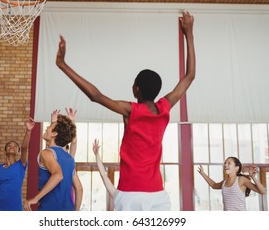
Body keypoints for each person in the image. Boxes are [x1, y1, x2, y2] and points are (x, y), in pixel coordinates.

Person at [56, 11, 195, 210]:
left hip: (130, 193)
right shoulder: (165, 106)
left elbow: (96, 95)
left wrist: (62, 64)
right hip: (158, 194)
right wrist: (188, 33)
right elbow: (189, 76)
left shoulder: (131, 110)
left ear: (136, 89)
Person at [23, 112, 83, 211]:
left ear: (54, 134)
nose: (47, 128)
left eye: (50, 126)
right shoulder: (69, 158)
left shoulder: (46, 153)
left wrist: (35, 198)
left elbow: (58, 175)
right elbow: (79, 188)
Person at [197, 157, 267, 211]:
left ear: (236, 168)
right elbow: (213, 185)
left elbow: (263, 191)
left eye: (229, 163)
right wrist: (203, 173)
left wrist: (253, 177)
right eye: (225, 163)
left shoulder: (241, 180)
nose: (225, 165)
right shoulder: (224, 182)